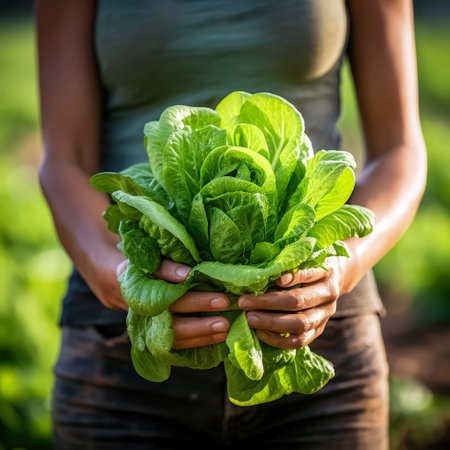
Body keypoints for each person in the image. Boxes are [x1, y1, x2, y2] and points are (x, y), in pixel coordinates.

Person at [36, 0, 426, 448]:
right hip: (123, 350)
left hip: (315, 332)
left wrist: (344, 263)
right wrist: (121, 277)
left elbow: (400, 150)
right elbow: (64, 160)